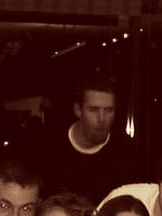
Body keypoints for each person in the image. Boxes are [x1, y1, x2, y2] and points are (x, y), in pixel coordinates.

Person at [37, 73, 138, 204]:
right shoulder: (50, 146)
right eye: (93, 110)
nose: (102, 119)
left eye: (108, 110)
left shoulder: (125, 151)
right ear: (78, 110)